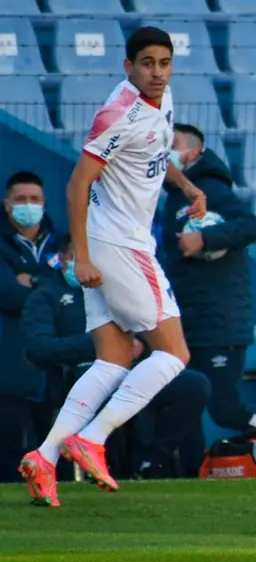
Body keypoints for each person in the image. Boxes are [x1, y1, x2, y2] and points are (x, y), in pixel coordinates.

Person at [18, 26, 207, 505]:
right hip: (119, 244)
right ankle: (94, 437)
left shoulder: (161, 99)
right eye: (147, 63)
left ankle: (45, 456)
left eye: (164, 62)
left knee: (114, 358)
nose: (157, 71)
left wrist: (186, 187)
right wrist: (81, 257)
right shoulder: (118, 113)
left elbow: (156, 156)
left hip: (112, 242)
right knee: (174, 355)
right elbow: (77, 184)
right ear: (129, 67)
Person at [20, 236, 208, 503]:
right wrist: (92, 345)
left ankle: (149, 462)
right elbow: (40, 347)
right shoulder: (48, 296)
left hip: (130, 367)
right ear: (62, 258)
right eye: (78, 254)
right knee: (162, 357)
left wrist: (139, 344)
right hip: (77, 372)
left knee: (189, 383)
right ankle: (91, 440)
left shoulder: (108, 281)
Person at [161, 123, 256, 431]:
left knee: (226, 409)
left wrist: (205, 239)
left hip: (219, 324)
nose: (163, 150)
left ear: (194, 153)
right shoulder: (175, 197)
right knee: (186, 404)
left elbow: (251, 226)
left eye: (171, 143)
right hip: (190, 320)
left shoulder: (211, 189)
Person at [0, 171, 64, 481]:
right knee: (10, 438)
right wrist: (50, 292)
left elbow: (72, 290)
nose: (28, 205)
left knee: (52, 435)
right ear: (6, 204)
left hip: (51, 358)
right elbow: (7, 294)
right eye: (21, 199)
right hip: (9, 357)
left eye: (34, 199)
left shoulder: (62, 239)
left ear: (45, 203)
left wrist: (34, 281)